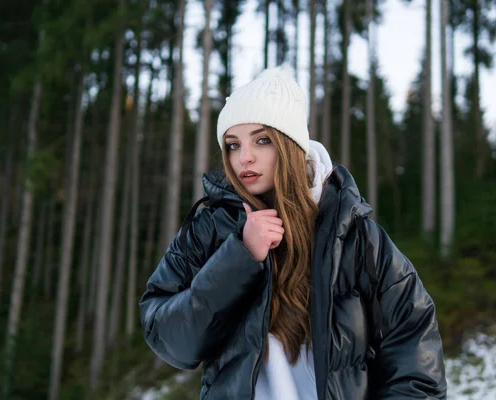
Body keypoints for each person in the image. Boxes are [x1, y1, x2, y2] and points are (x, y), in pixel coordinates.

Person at [139, 65, 447, 399]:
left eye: (262, 140)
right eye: (232, 144)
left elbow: (416, 358)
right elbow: (169, 339)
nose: (245, 157)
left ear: (290, 144)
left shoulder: (357, 237)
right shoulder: (208, 231)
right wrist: (239, 257)